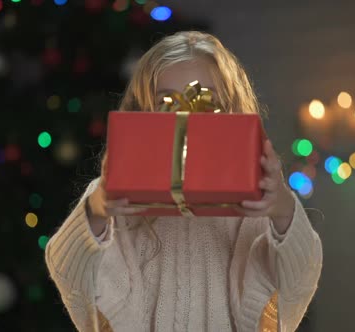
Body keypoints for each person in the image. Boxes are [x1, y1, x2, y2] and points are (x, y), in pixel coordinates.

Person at [45, 31, 322, 332]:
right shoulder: (112, 198)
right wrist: (96, 211)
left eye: (204, 102)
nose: (184, 119)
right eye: (167, 102)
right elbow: (69, 273)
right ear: (143, 113)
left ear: (231, 112)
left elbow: (297, 283)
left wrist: (282, 208)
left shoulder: (254, 201)